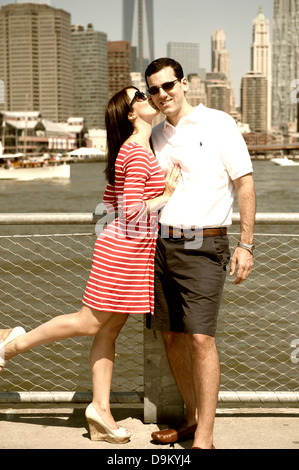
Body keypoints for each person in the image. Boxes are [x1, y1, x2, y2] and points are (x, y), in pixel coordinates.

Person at [0, 85, 181, 444]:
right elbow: (129, 211)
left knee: (108, 331)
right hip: (124, 251)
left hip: (132, 250)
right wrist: (166, 195)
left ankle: (100, 410)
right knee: (89, 323)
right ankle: (10, 345)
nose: (150, 97)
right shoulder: (136, 151)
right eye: (142, 96)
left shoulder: (136, 150)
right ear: (131, 114)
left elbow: (110, 201)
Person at [144, 58, 256, 449]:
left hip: (204, 243)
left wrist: (246, 244)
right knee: (172, 336)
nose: (162, 95)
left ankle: (204, 440)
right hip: (162, 244)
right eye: (153, 90)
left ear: (185, 83)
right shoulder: (156, 135)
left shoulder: (219, 122)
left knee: (201, 340)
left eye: (168, 85)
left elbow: (243, 182)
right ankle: (192, 420)